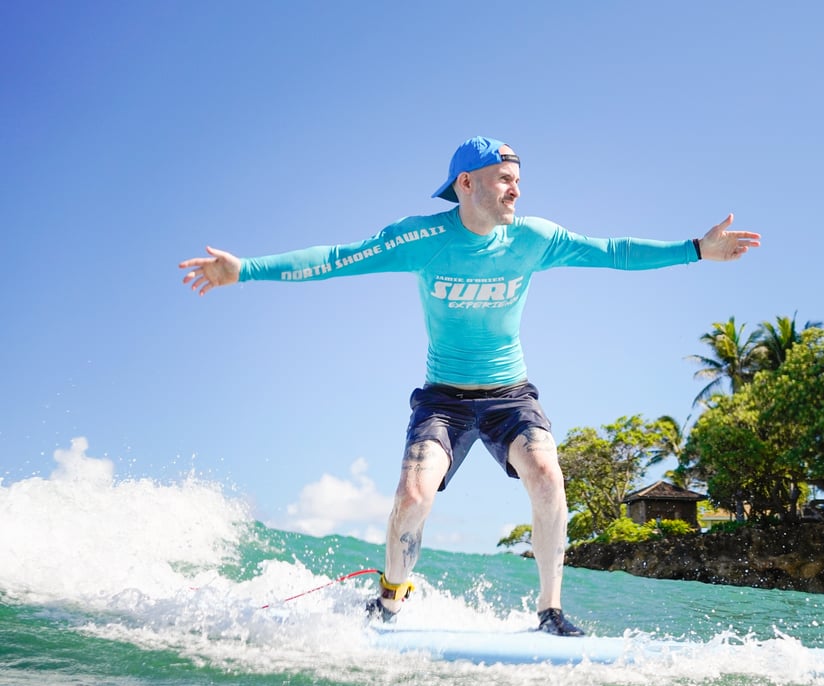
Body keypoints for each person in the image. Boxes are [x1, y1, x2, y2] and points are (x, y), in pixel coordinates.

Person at [179, 136, 760, 636]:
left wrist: (696, 250)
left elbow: (613, 252)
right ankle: (388, 602)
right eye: (505, 179)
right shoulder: (421, 239)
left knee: (547, 474)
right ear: (466, 183)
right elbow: (339, 258)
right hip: (444, 399)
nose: (516, 190)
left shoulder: (532, 238)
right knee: (413, 496)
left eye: (518, 180)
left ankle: (550, 611)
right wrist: (245, 269)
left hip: (510, 396)